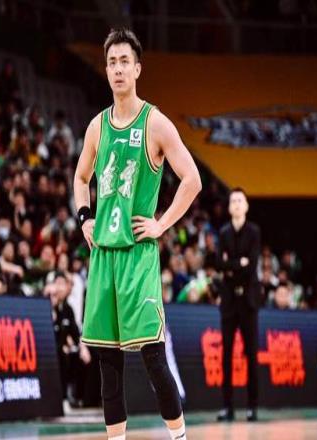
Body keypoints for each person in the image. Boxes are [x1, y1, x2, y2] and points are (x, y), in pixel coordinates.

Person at [73, 28, 201, 440]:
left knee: (153, 358)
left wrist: (162, 223)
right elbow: (80, 178)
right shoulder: (97, 126)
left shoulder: (155, 123)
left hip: (138, 255)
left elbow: (193, 180)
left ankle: (179, 437)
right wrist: (84, 218)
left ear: (137, 69)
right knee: (108, 365)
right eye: (111, 62)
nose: (117, 69)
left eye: (124, 61)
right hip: (103, 257)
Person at [215, 187, 261, 422]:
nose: (236, 204)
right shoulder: (223, 233)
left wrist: (231, 266)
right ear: (229, 206)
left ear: (246, 206)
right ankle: (227, 407)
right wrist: (237, 264)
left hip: (249, 302)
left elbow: (251, 265)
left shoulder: (254, 232)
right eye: (233, 200)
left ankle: (252, 406)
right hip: (229, 301)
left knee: (251, 354)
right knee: (226, 355)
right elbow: (218, 264)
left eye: (240, 200)